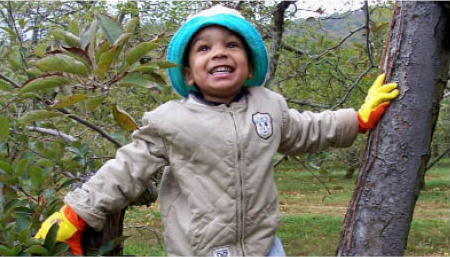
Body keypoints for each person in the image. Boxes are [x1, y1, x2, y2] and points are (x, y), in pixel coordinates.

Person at [35, 5, 399, 257]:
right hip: (200, 249)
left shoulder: (268, 106)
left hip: (264, 245)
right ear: (190, 74)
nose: (219, 53)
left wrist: (359, 118)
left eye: (232, 45)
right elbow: (127, 168)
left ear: (249, 63)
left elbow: (308, 129)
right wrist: (77, 212)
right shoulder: (170, 120)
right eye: (204, 48)